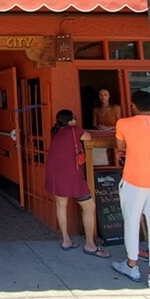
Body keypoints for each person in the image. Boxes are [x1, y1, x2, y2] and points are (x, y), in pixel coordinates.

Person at [111, 90, 150, 291]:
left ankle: (132, 265)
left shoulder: (123, 123)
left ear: (133, 106)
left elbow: (120, 146)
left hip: (134, 179)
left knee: (131, 222)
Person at [45, 109, 110, 258]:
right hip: (72, 174)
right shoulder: (74, 129)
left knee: (61, 205)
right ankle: (90, 244)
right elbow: (88, 137)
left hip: (55, 172)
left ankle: (66, 240)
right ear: (70, 120)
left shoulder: (55, 131)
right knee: (89, 206)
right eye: (74, 118)